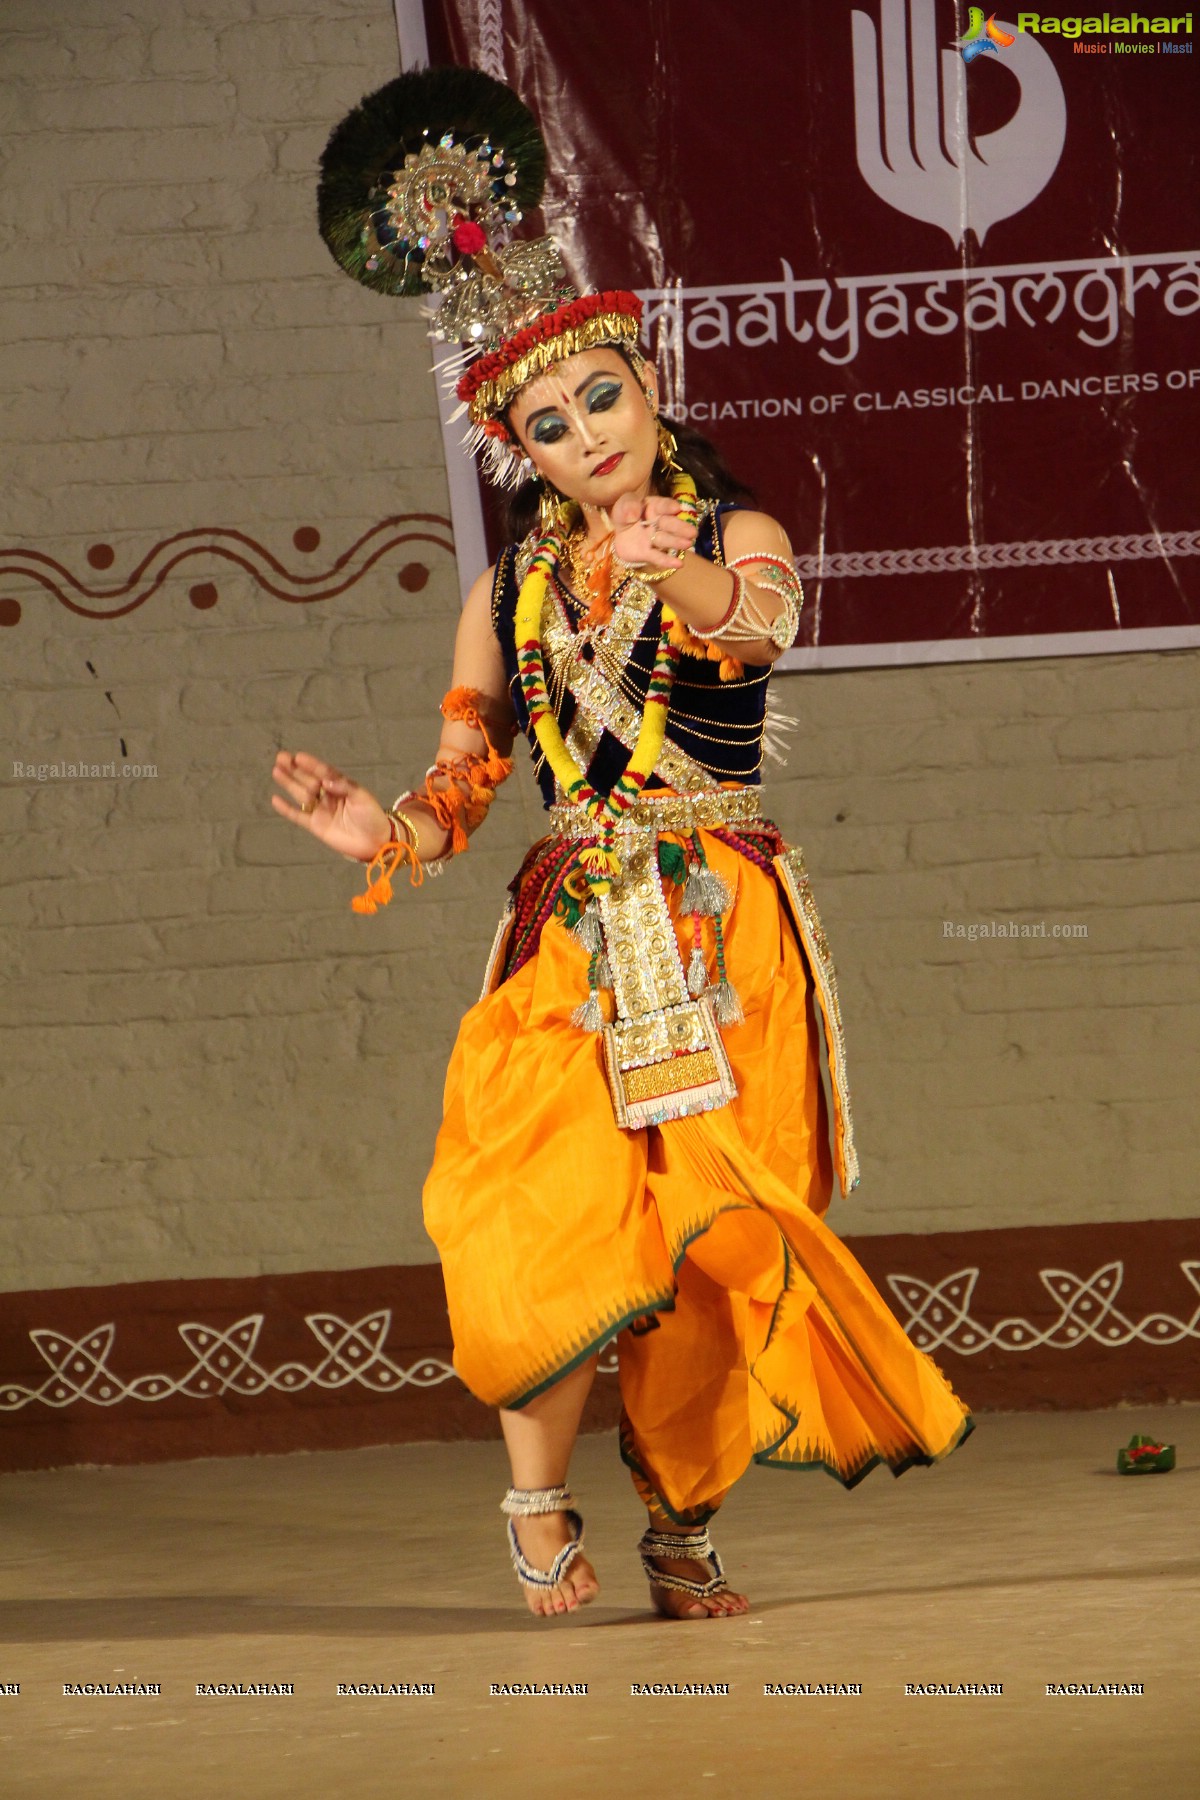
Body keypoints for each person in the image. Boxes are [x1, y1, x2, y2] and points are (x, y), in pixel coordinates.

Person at [271, 68, 972, 1623]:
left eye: (603, 399)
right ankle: (534, 1505)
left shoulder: (734, 534)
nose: (587, 435)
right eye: (548, 423)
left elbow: (765, 634)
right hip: (572, 937)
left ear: (647, 390)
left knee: (707, 1241)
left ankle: (683, 1520)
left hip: (721, 932)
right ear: (518, 449)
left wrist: (687, 578)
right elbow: (460, 795)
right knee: (527, 1206)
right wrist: (375, 824)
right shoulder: (504, 598)